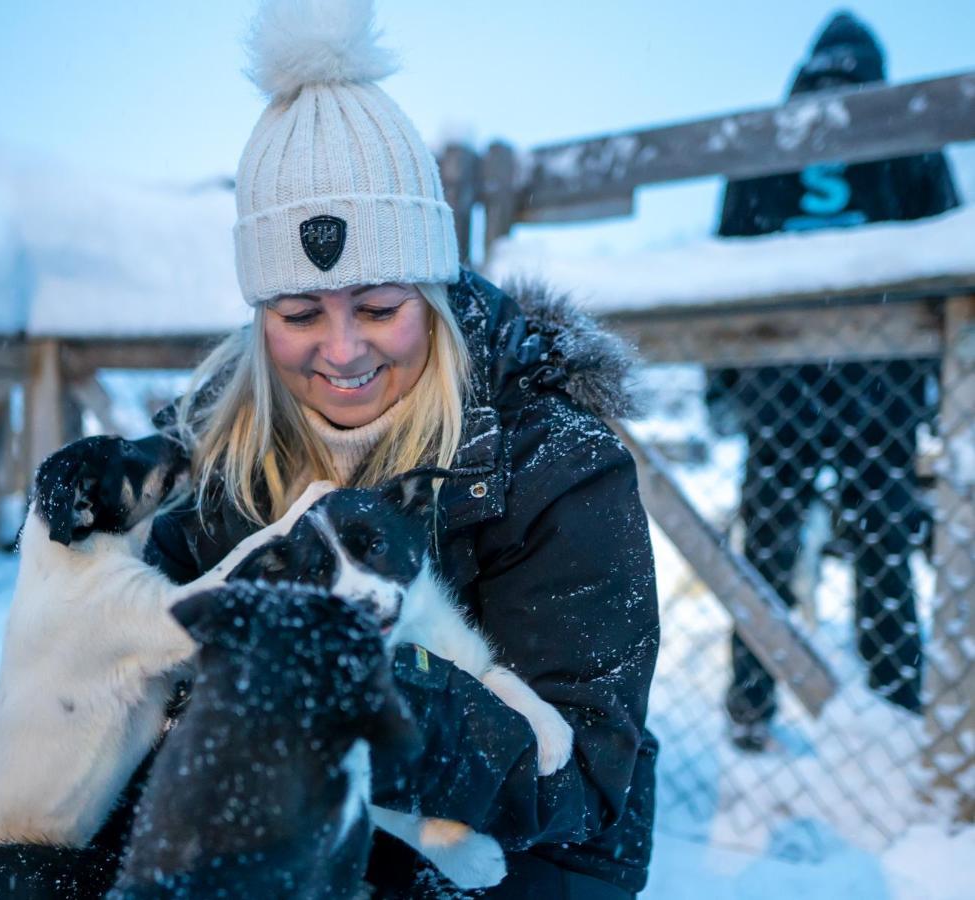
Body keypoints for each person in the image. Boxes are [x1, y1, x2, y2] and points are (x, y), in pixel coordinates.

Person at [126, 2, 660, 897]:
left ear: (434, 293)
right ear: (260, 320)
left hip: (523, 860)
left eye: (378, 307)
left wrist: (369, 705)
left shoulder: (555, 462)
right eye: (299, 315)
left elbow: (586, 779)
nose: (342, 351)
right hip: (298, 825)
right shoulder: (211, 457)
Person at [706, 10, 960, 751]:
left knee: (767, 545)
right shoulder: (906, 129)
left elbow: (728, 262)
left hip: (780, 381)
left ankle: (750, 703)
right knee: (881, 540)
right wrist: (940, 386)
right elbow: (943, 249)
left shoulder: (768, 140)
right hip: (878, 383)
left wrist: (724, 383)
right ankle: (895, 694)